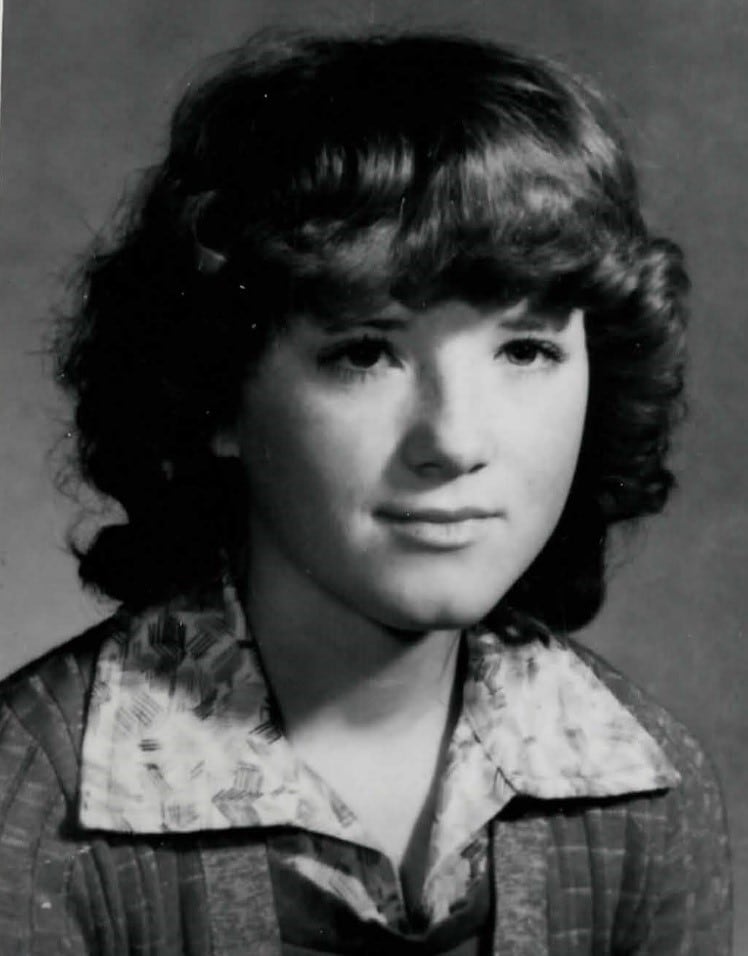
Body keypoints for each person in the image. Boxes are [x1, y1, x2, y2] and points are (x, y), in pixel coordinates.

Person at [0, 31, 731, 955]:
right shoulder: (30, 801)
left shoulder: (650, 790)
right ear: (216, 396)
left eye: (525, 350)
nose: (455, 442)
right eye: (365, 353)